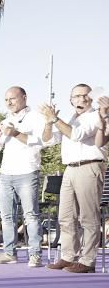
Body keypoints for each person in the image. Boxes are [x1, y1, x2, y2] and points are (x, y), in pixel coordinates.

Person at [41, 85, 107, 273]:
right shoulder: (70, 118)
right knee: (66, 216)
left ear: (91, 98)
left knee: (88, 217)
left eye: (85, 95)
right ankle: (69, 256)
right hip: (69, 168)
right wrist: (48, 122)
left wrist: (55, 119)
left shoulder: (96, 116)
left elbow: (76, 135)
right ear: (71, 100)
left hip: (90, 166)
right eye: (77, 96)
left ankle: (88, 261)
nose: (82, 99)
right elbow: (47, 140)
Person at [0, 86, 47, 267]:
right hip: (6, 173)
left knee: (30, 215)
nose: (9, 102)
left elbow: (39, 142)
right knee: (6, 216)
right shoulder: (5, 121)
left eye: (12, 98)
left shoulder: (36, 117)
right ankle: (9, 253)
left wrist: (15, 133)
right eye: (6, 100)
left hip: (27, 171)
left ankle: (35, 254)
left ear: (24, 97)